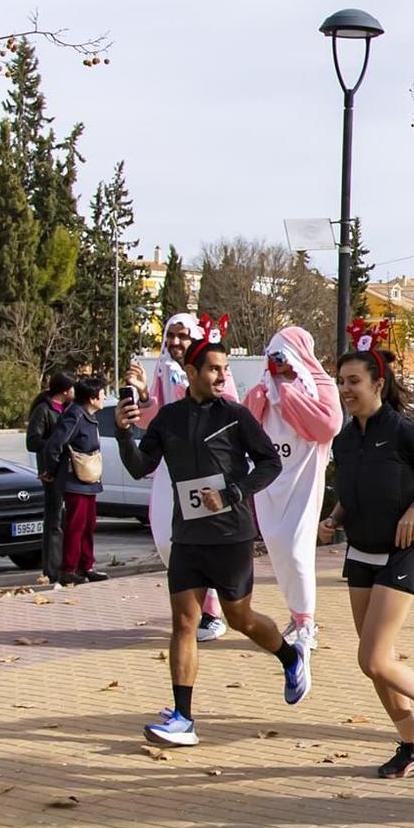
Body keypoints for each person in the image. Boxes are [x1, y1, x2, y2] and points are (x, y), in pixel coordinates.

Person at [114, 333, 309, 748]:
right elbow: (139, 467)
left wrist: (235, 492)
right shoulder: (168, 419)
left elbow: (270, 463)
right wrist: (123, 434)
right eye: (213, 369)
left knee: (241, 620)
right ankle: (183, 717)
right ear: (191, 373)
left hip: (230, 536)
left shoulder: (236, 416)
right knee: (184, 623)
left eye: (224, 369)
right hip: (187, 536)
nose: (222, 376)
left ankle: (290, 656)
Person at [318, 348, 414, 777]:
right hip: (360, 552)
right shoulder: (344, 441)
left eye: (353, 381)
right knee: (378, 662)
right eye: (341, 381)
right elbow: (352, 490)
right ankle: (410, 745)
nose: (346, 389)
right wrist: (334, 518)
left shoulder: (403, 432)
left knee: (374, 659)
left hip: (404, 550)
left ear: (377, 385)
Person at [130, 314, 236, 641]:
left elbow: (228, 406)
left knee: (202, 540)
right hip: (170, 467)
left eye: (182, 336)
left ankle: (211, 610)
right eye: (171, 335)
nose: (176, 342)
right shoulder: (163, 368)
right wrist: (145, 395)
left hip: (204, 469)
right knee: (166, 539)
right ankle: (196, 603)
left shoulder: (214, 367)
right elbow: (154, 421)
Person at [242, 326, 340, 651]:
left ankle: (307, 623)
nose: (278, 364)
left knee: (298, 552)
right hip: (271, 481)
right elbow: (245, 425)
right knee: (279, 550)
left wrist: (289, 395)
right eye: (273, 356)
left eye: (283, 355)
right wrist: (264, 394)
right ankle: (296, 615)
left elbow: (328, 426)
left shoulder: (319, 384)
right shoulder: (262, 389)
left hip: (303, 478)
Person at [40, 378, 105, 584]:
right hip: (75, 480)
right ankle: (68, 568)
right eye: (102, 394)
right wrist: (51, 471)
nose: (104, 398)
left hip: (89, 479)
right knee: (75, 525)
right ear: (93, 398)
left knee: (88, 524)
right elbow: (54, 445)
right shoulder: (75, 415)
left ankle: (86, 565)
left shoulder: (90, 416)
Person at [25, 370, 73, 584]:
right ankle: (52, 568)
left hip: (69, 471)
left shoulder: (69, 410)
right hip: (50, 471)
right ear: (64, 390)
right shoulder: (44, 410)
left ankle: (68, 564)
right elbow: (33, 441)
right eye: (72, 388)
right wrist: (55, 445)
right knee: (54, 520)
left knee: (66, 519)